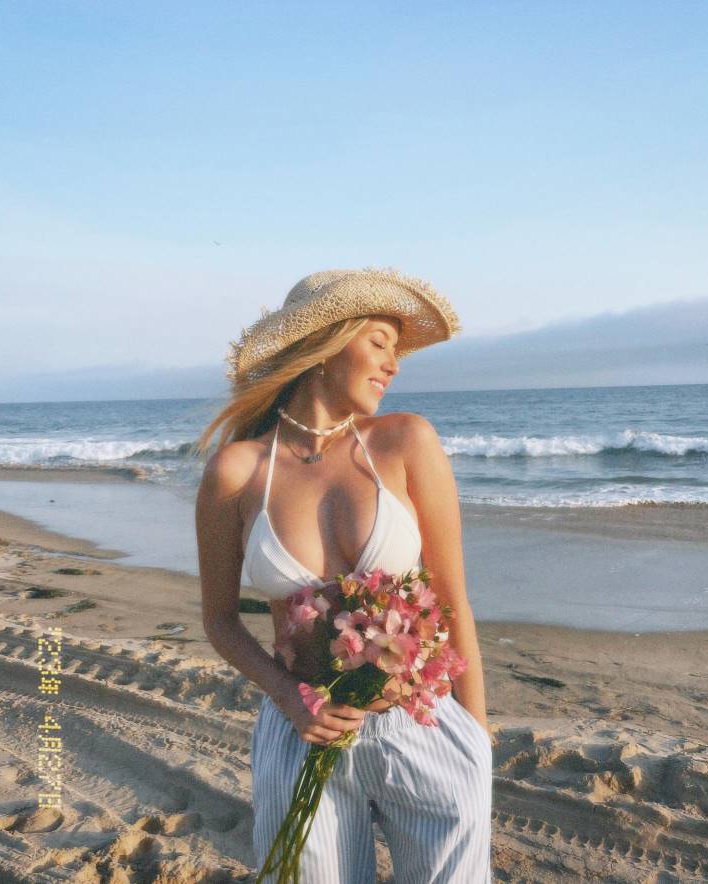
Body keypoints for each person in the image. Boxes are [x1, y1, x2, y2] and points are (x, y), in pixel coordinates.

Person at [195, 268, 493, 883]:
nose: (394, 364)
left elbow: (453, 601)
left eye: (397, 350)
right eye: (380, 342)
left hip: (425, 723)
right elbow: (220, 620)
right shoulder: (238, 471)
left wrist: (476, 740)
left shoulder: (407, 441)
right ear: (328, 346)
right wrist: (288, 698)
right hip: (302, 733)